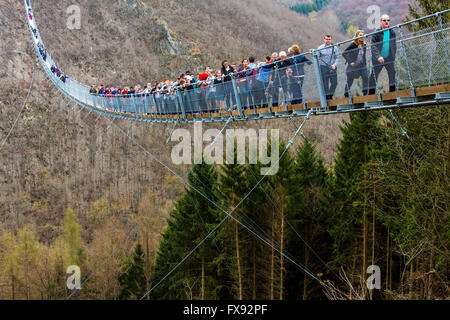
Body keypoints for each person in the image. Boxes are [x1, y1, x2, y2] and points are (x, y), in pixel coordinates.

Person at [368, 14, 397, 94]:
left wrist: (393, 55)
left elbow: (394, 45)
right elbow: (373, 46)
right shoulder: (377, 33)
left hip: (388, 57)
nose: (386, 22)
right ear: (381, 22)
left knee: (392, 73)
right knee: (373, 76)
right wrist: (378, 56)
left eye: (388, 20)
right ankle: (371, 94)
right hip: (378, 59)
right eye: (384, 20)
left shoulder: (392, 32)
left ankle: (392, 92)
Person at [343, 30, 369, 97]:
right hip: (354, 65)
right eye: (360, 35)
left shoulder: (364, 45)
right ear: (357, 36)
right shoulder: (353, 45)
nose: (362, 36)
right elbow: (344, 53)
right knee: (350, 80)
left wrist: (365, 63)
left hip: (362, 64)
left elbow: (364, 55)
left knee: (365, 77)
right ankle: (346, 94)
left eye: (363, 35)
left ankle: (365, 93)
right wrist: (350, 61)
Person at [317, 34, 340, 100]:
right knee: (325, 84)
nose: (328, 40)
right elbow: (317, 58)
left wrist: (335, 65)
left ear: (331, 40)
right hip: (323, 67)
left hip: (332, 67)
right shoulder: (320, 48)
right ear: (324, 40)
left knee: (335, 82)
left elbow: (337, 57)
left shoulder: (334, 48)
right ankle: (327, 98)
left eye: (329, 39)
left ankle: (330, 95)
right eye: (326, 39)